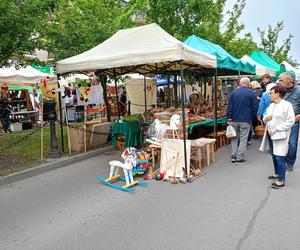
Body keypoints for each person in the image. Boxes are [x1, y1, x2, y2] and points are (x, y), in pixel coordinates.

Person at [262, 85, 295, 189]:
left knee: (280, 156)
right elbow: (265, 117)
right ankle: (277, 174)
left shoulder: (287, 105)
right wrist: (266, 118)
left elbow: (291, 121)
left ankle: (281, 181)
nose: (269, 95)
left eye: (271, 93)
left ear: (277, 94)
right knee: (274, 155)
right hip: (271, 134)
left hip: (281, 135)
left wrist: (277, 128)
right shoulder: (272, 105)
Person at [227, 77, 258, 164]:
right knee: (243, 138)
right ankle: (239, 158)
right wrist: (252, 117)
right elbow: (255, 108)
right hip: (246, 119)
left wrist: (229, 118)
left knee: (234, 138)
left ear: (240, 83)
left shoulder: (233, 92)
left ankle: (233, 155)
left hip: (234, 119)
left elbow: (229, 106)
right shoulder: (252, 93)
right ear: (248, 84)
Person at [278, 72, 300, 172]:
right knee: (281, 142)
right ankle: (282, 161)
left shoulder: (299, 91)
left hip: (294, 121)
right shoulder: (280, 91)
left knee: (292, 143)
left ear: (289, 80)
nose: (279, 82)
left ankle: (290, 163)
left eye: (282, 80)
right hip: (281, 121)